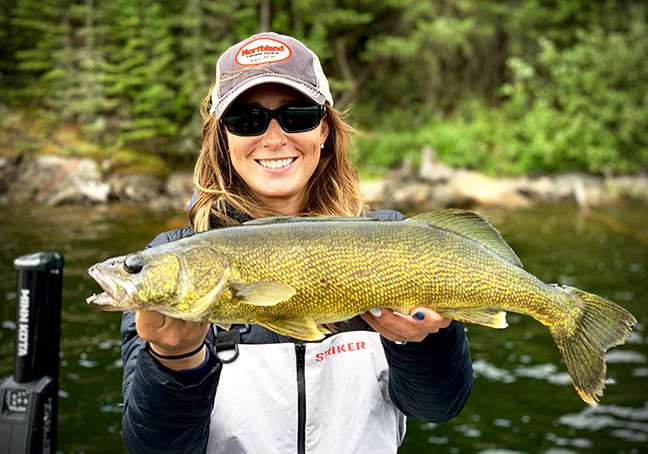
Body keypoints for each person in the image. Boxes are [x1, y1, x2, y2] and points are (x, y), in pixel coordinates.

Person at [121, 32, 472, 454]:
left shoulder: (391, 241)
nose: (273, 138)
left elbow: (437, 407)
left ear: (324, 130)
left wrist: (427, 340)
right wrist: (175, 361)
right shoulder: (170, 259)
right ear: (222, 138)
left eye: (298, 115)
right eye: (247, 120)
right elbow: (156, 450)